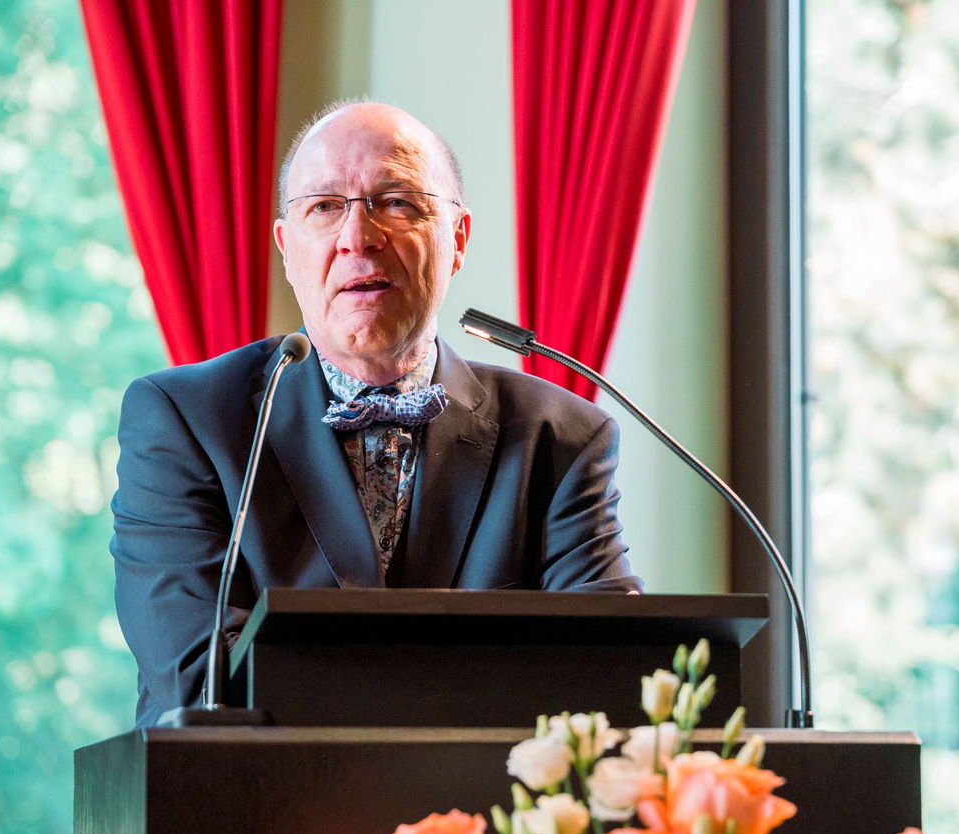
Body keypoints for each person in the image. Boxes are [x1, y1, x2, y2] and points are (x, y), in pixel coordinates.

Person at [111, 101, 641, 727]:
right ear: (287, 249)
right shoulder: (184, 419)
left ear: (457, 239)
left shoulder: (564, 437)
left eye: (396, 202)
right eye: (324, 207)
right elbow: (199, 678)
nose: (358, 238)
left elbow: (609, 669)